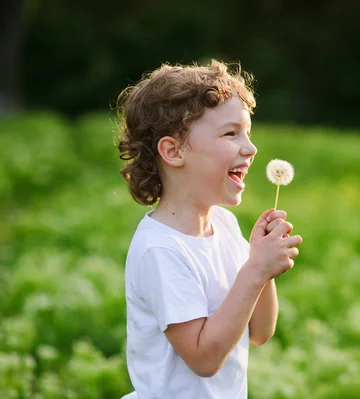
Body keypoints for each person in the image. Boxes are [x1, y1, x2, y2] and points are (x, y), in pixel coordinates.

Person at [116, 59, 302, 399]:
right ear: (173, 151)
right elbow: (203, 358)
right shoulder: (161, 250)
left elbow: (260, 331)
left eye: (248, 132)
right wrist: (255, 271)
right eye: (231, 133)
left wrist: (262, 267)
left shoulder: (225, 225)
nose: (250, 147)